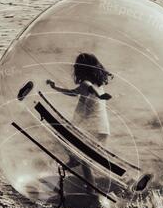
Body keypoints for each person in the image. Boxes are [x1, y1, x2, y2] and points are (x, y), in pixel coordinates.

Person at [46, 52, 113, 188]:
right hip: (102, 128)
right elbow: (72, 93)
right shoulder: (98, 85)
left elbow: (90, 88)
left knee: (84, 158)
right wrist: (54, 87)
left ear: (81, 69)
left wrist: (100, 95)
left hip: (93, 128)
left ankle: (91, 188)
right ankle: (74, 160)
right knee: (72, 145)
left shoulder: (87, 84)